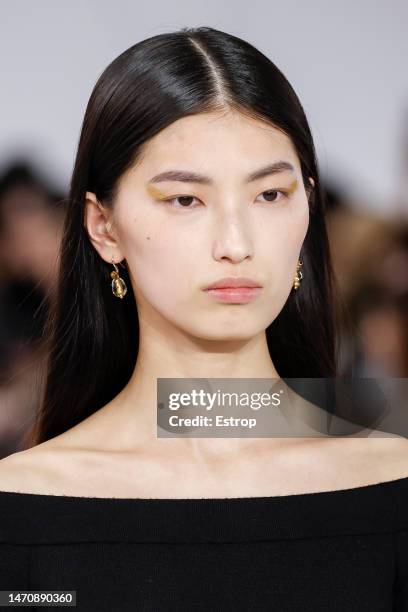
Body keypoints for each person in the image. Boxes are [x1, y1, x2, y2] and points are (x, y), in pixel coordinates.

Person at [0, 26, 407, 611]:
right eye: (186, 200)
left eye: (270, 195)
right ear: (103, 227)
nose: (236, 243)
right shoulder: (24, 507)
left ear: (307, 209)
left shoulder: (392, 482)